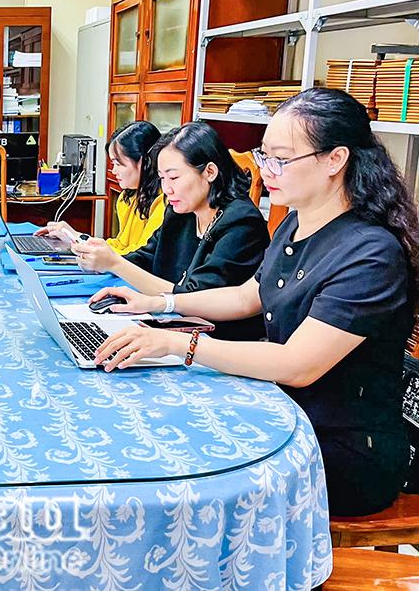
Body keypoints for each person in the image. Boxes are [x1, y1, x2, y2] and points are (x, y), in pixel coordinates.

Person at [89, 88, 419, 517]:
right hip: (284, 406)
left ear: (335, 159)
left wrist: (178, 344)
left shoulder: (370, 254)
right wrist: (160, 304)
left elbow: (297, 365)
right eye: (265, 156)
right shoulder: (296, 223)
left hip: (342, 446)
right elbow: (248, 295)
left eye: (281, 159)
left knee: (185, 463)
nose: (267, 170)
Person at [73, 121, 269, 340]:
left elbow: (193, 298)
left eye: (174, 177)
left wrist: (115, 263)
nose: (166, 189)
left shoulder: (242, 223)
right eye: (162, 178)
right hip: (172, 326)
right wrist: (101, 259)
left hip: (217, 341)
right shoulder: (181, 211)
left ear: (210, 172)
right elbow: (147, 256)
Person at [36, 120, 166, 254]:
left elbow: (138, 256)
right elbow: (120, 245)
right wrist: (74, 237)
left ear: (145, 162)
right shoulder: (128, 198)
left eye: (118, 164)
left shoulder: (163, 203)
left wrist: (78, 239)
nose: (114, 171)